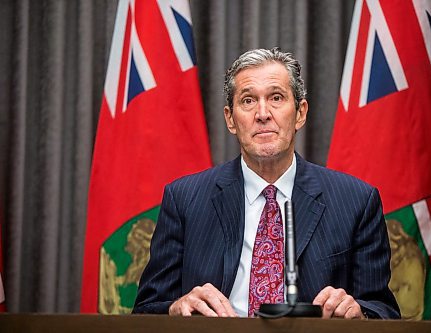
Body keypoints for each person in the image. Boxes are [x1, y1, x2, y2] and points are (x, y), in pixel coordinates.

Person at [133, 48, 400, 319]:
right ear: (230, 119)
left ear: (300, 113)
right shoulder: (184, 200)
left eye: (276, 97)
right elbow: (145, 311)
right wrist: (176, 307)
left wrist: (360, 314)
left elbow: (383, 310)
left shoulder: (356, 201)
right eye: (248, 100)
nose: (262, 113)